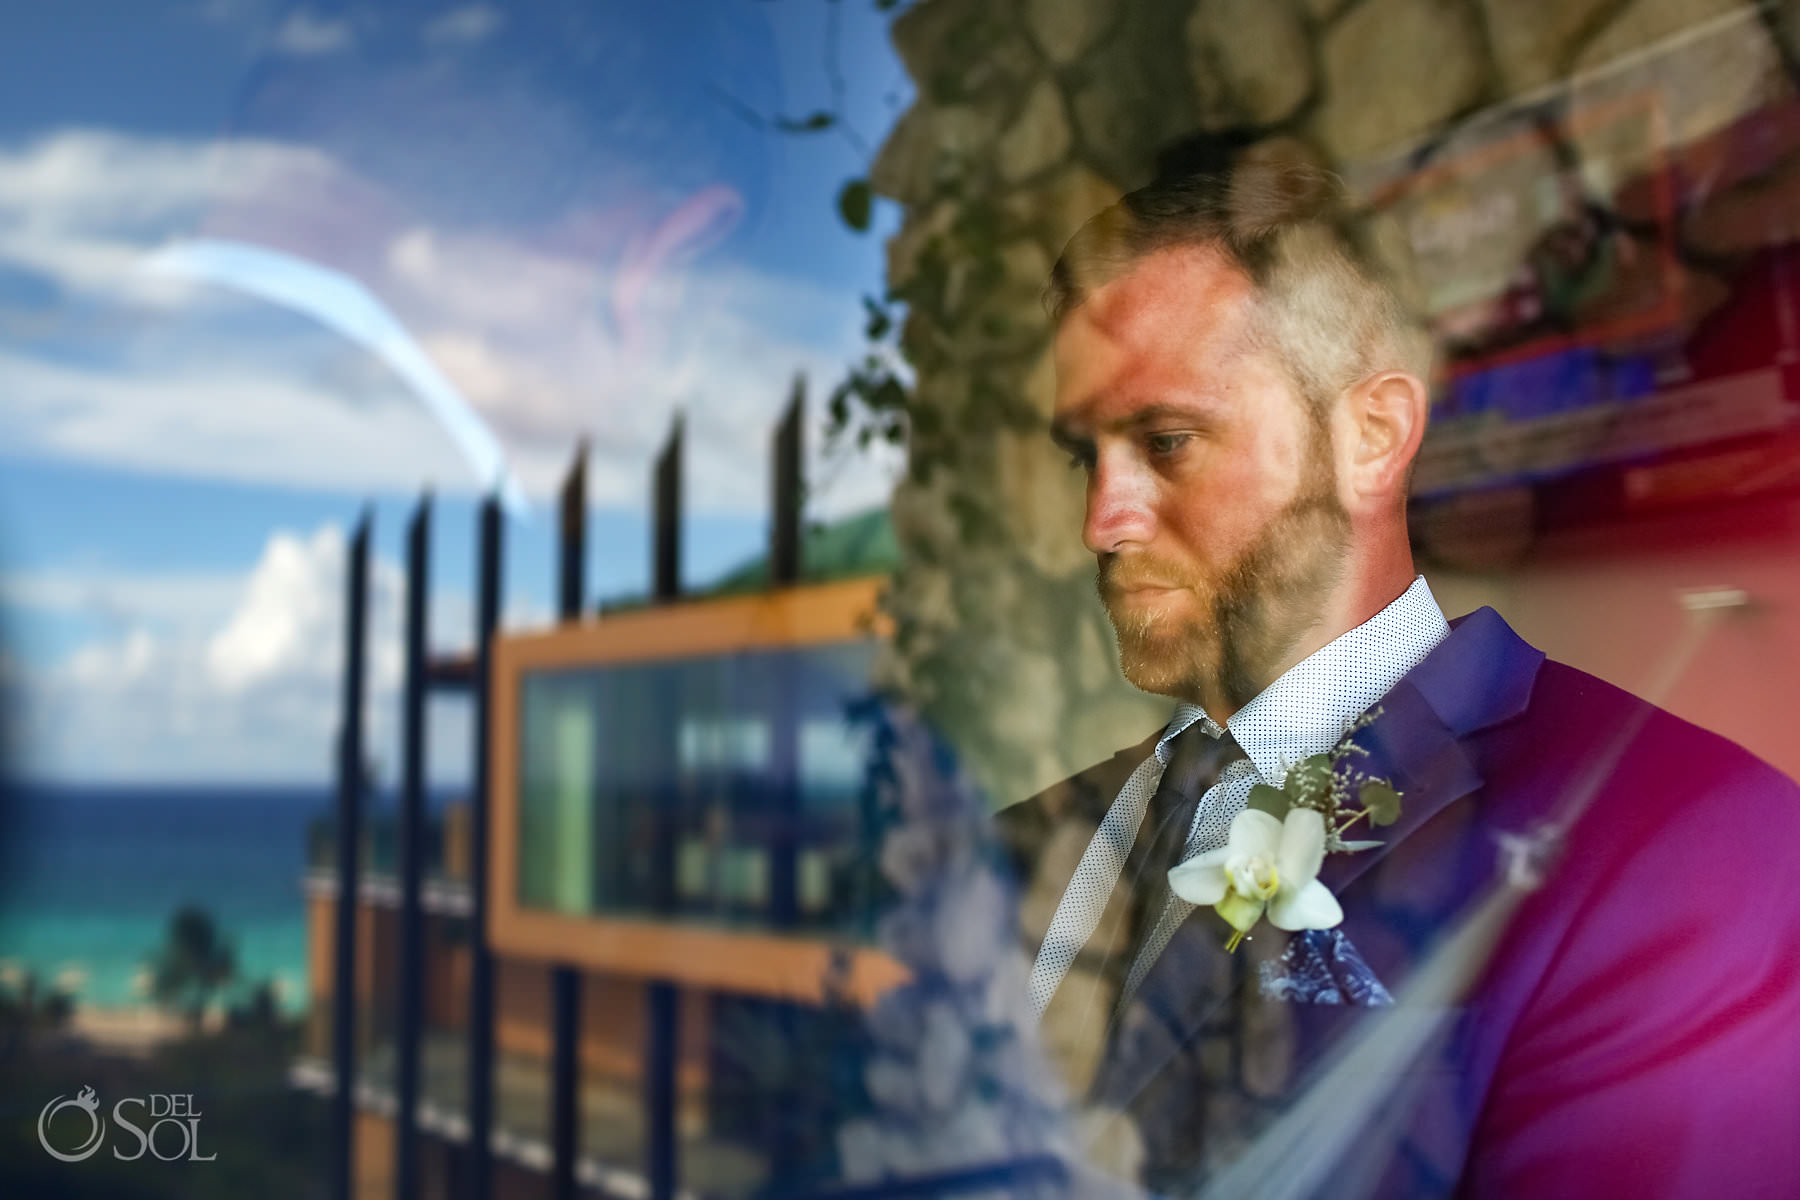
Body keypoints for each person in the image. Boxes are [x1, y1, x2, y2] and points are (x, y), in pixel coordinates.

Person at [992, 150, 1800, 1198]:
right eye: (1084, 458)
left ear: (1371, 438)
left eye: (1168, 440)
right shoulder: (1031, 844)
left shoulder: (1689, 852)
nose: (1104, 519)